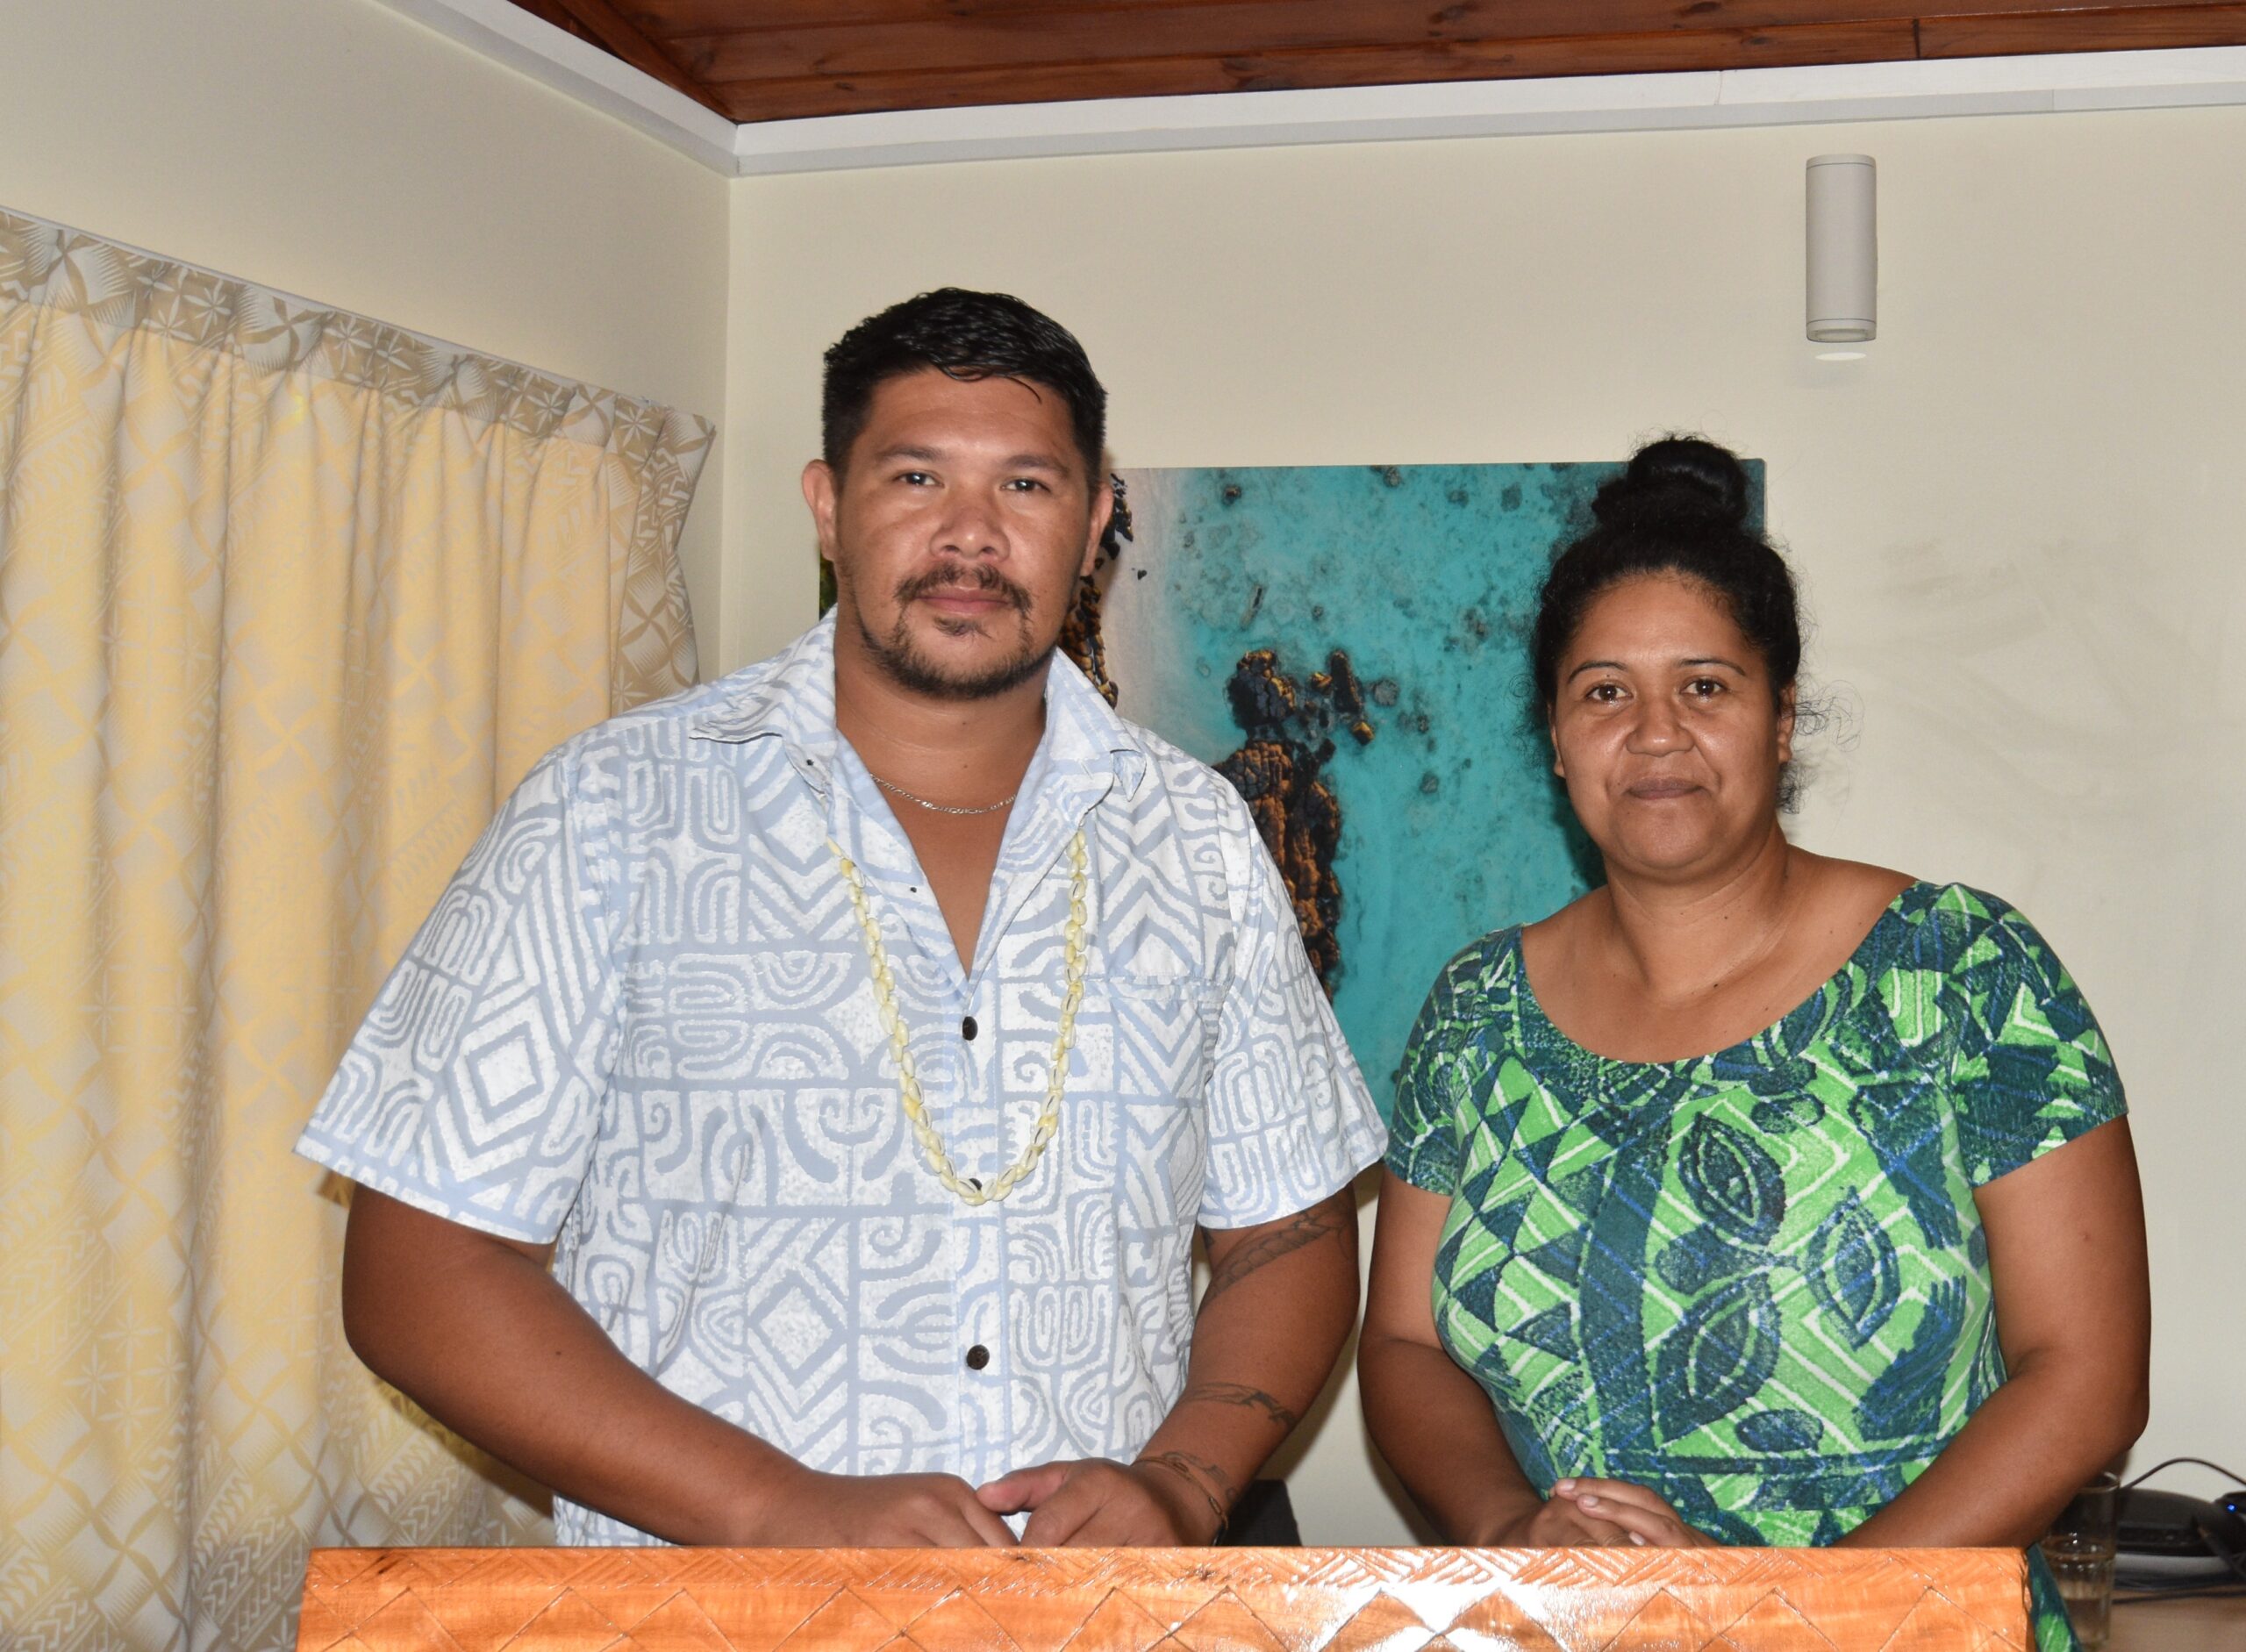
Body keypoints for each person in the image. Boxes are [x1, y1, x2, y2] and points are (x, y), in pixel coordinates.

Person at [298, 288, 1384, 1549]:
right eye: (917, 476)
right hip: (715, 1627)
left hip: (1083, 1629)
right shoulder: (611, 811)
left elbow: (1289, 1233)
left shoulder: (1194, 838)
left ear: (1092, 525)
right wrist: (774, 1509)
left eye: (1026, 488)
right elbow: (416, 1277)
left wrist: (1187, 1481)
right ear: (827, 505)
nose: (969, 536)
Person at [1357, 438, 2148, 1649]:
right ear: (1557, 740)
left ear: (1783, 721)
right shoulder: (1476, 1012)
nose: (1657, 733)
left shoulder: (1964, 972)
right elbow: (1406, 1343)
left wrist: (1785, 1620)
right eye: (1606, 691)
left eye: (1707, 686)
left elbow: (2085, 1379)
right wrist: (1513, 1528)